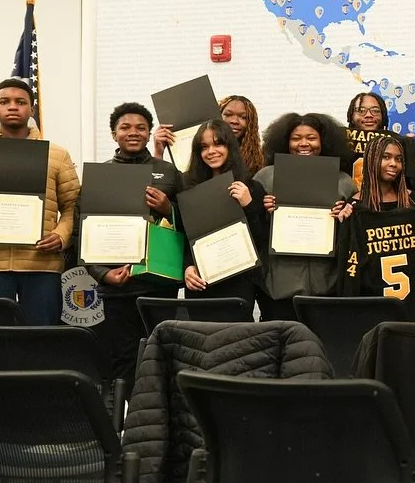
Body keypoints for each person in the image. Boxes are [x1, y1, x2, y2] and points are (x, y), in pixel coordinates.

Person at [0, 79, 79, 326]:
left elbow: (73, 207)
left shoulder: (57, 155)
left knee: (40, 343)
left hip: (41, 265)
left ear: (32, 109)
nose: (13, 107)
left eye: (21, 102)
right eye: (4, 102)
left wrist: (61, 236)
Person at [86, 102, 182, 388]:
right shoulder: (99, 175)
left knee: (165, 353)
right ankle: (124, 421)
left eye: (141, 127)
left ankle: (166, 415)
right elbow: (85, 229)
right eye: (125, 127)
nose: (133, 132)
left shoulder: (168, 172)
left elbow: (192, 220)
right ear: (114, 134)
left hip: (160, 283)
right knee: (123, 359)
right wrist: (102, 274)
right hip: (118, 285)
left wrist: (169, 209)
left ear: (149, 132)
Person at [254, 112, 356, 320]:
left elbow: (354, 236)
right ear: (285, 142)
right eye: (296, 138)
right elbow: (252, 230)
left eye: (311, 138)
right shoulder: (265, 177)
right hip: (279, 285)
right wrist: (263, 211)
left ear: (324, 142)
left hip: (325, 284)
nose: (303, 144)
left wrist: (344, 215)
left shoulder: (344, 181)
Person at [337, 133, 415, 321]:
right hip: (372, 309)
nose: (393, 164)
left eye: (399, 159)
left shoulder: (413, 201)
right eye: (386, 157)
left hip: (414, 307)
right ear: (371, 160)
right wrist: (340, 220)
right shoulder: (355, 207)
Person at [180, 118, 269, 305]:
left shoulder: (252, 188)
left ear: (230, 147)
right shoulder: (189, 189)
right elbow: (184, 236)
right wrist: (187, 267)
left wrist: (249, 205)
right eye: (204, 147)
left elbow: (261, 239)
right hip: (201, 282)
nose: (211, 151)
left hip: (238, 283)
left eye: (218, 144)